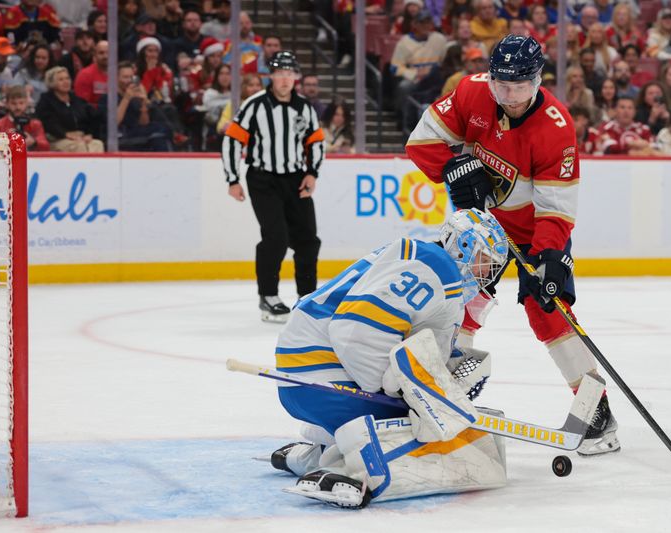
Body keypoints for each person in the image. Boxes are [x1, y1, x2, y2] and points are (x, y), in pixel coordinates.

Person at [405, 35, 619, 457]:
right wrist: (453, 167)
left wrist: (549, 256)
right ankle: (444, 390)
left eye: (521, 87)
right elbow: (420, 142)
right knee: (457, 298)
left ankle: (597, 411)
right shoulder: (471, 91)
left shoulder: (556, 128)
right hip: (481, 226)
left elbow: (555, 208)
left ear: (538, 80)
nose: (511, 97)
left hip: (532, 230)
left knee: (546, 310)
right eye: (503, 86)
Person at [269, 208, 509, 508]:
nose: (486, 274)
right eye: (483, 260)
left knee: (426, 415)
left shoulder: (420, 258)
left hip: (306, 380)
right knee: (429, 427)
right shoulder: (437, 270)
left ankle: (314, 452)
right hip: (321, 381)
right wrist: (404, 393)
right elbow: (356, 332)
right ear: (462, 247)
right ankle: (344, 469)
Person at [221, 51, 325, 323]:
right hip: (263, 180)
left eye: (290, 73)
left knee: (308, 240)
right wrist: (233, 178)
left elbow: (315, 141)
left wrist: (312, 173)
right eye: (280, 73)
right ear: (271, 76)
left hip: (296, 179)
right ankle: (268, 296)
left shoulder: (305, 107)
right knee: (276, 237)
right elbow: (232, 140)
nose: (285, 79)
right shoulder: (255, 105)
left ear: (296, 77)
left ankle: (307, 297)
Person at [99, 61, 174, 152]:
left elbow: (143, 123)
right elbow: (113, 124)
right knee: (159, 132)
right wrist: (126, 98)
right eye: (125, 77)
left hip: (135, 134)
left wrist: (143, 102)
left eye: (131, 77)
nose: (129, 80)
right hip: (118, 136)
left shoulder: (133, 97)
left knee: (161, 130)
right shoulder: (107, 98)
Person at [36, 66, 104, 152]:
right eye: (61, 80)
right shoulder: (46, 101)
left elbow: (92, 118)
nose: (66, 82)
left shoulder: (77, 100)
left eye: (67, 78)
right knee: (79, 146)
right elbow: (48, 123)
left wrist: (89, 134)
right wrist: (65, 134)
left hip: (80, 137)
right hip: (57, 138)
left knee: (97, 144)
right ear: (52, 83)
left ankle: (93, 166)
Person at [0, 85, 50, 152]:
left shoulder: (35, 124)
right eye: (13, 103)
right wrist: (6, 142)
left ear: (26, 103)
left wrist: (34, 142)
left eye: (21, 103)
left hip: (31, 160)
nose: (18, 107)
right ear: (7, 104)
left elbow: (46, 147)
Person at [14, 43, 52, 109]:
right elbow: (14, 92)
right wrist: (23, 91)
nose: (40, 61)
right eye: (37, 57)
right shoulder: (23, 73)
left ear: (49, 60)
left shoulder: (53, 75)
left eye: (44, 58)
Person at [74, 40, 109, 108]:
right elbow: (82, 104)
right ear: (95, 55)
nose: (105, 56)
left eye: (109, 52)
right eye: (101, 53)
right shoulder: (85, 75)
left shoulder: (119, 73)